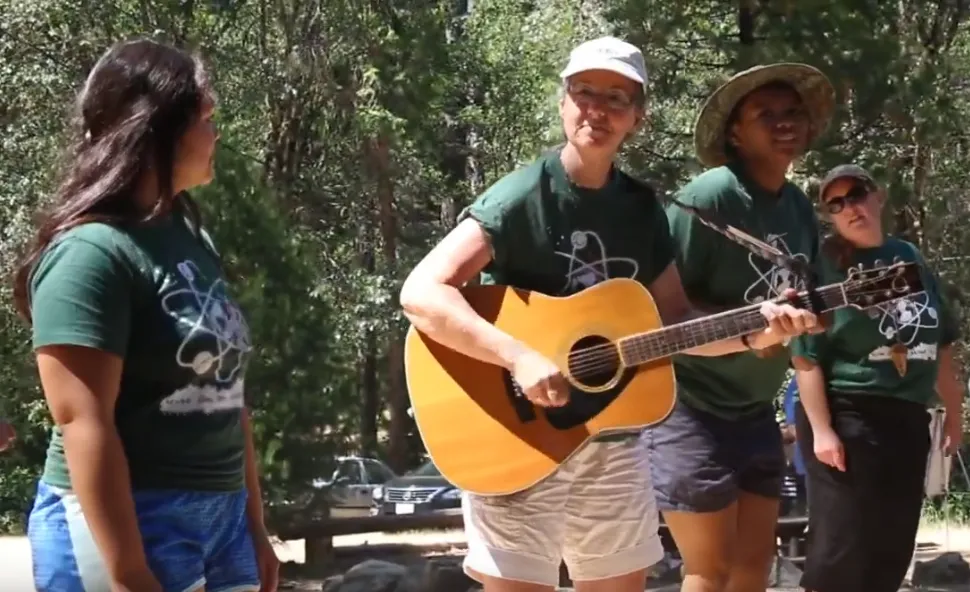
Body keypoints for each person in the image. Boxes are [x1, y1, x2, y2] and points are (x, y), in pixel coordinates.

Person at [399, 38, 818, 592]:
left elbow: (674, 325)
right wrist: (518, 356)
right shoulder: (523, 196)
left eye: (617, 98)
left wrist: (753, 332)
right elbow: (422, 291)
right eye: (584, 92)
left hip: (611, 442)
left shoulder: (641, 209)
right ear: (563, 103)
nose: (597, 109)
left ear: (637, 117)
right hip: (514, 432)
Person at [12, 39, 279, 592]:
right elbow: (84, 422)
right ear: (157, 129)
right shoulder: (89, 254)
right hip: (130, 523)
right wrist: (131, 573)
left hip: (221, 519)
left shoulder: (188, 236)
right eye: (207, 118)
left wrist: (254, 528)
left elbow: (229, 394)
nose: (217, 134)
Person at [643, 63, 836, 592]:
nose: (783, 123)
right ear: (735, 132)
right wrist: (753, 332)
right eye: (765, 114)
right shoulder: (708, 199)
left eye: (792, 112)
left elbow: (806, 303)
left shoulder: (797, 206)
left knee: (753, 569)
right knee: (710, 570)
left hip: (754, 410)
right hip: (689, 407)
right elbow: (663, 314)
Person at [791, 164, 964, 592]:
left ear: (878, 196)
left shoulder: (911, 258)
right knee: (840, 551)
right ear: (830, 216)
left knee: (891, 547)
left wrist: (955, 413)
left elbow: (940, 341)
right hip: (848, 414)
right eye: (837, 203)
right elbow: (805, 356)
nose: (850, 207)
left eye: (857, 194)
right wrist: (822, 430)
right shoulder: (825, 268)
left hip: (907, 419)